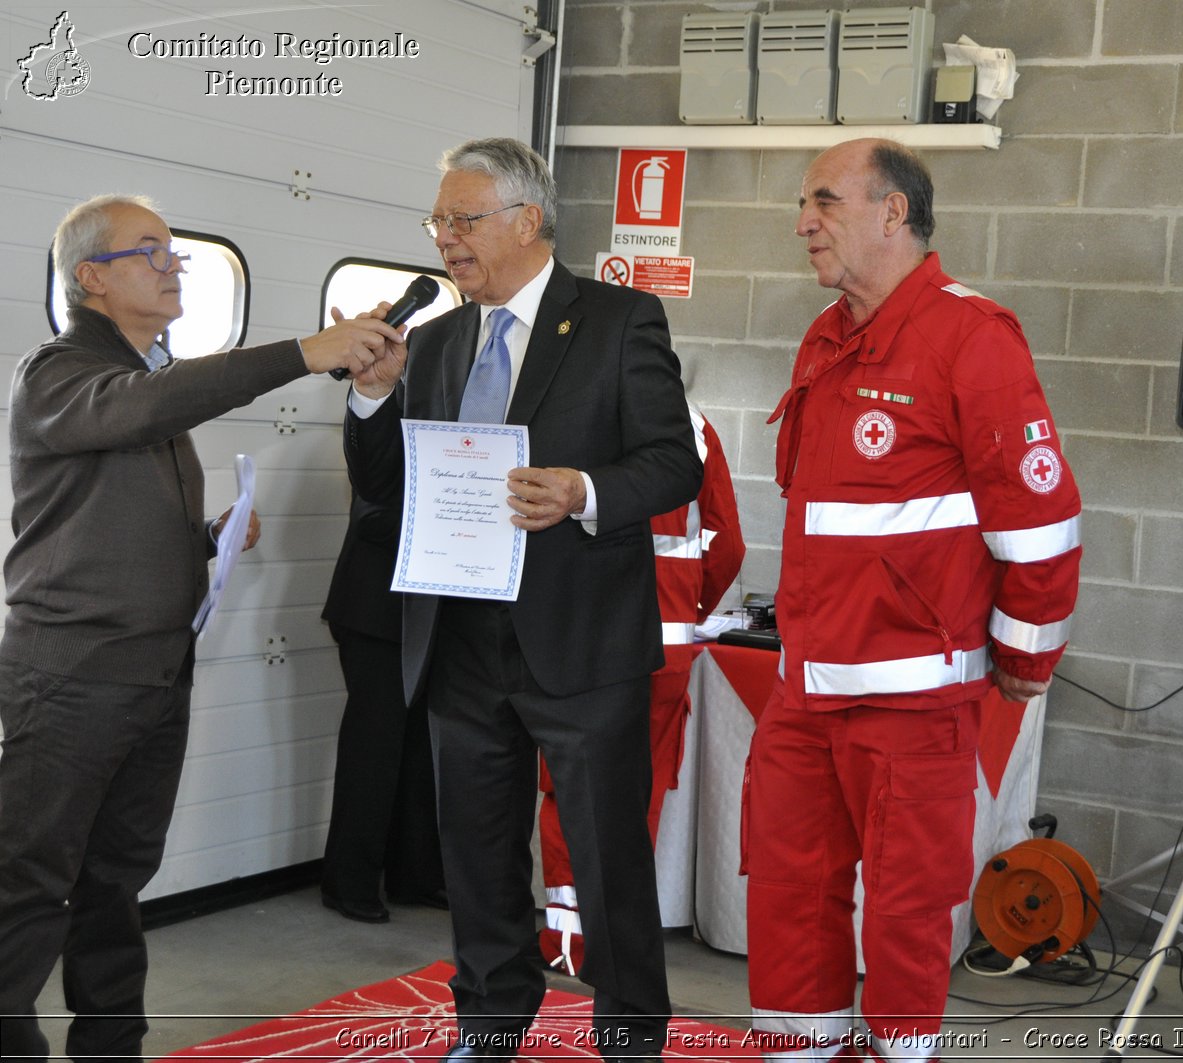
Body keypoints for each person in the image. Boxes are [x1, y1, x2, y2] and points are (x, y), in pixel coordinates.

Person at [0, 193, 398, 1061]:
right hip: (72, 676)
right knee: (31, 883)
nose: (173, 264)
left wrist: (210, 536)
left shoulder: (139, 377)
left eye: (176, 250)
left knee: (114, 883)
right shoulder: (60, 372)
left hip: (152, 675)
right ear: (90, 277)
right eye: (151, 251)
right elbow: (142, 409)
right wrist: (304, 351)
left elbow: (96, 515)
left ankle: (112, 1047)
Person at [342, 137, 701, 1063]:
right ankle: (491, 1026)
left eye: (463, 222)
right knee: (477, 850)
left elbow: (673, 463)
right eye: (439, 224)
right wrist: (375, 400)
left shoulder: (620, 320)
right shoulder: (442, 339)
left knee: (605, 855)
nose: (446, 242)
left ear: (526, 220)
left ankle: (628, 1037)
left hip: (580, 642)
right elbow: (388, 486)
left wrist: (582, 490)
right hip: (458, 635)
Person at [745, 139, 1083, 1061]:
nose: (803, 221)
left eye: (824, 201)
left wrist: (1021, 661)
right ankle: (801, 1048)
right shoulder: (827, 337)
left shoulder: (972, 338)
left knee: (904, 910)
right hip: (806, 691)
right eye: (804, 203)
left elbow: (1042, 524)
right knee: (787, 887)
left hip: (912, 702)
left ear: (893, 214)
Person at [538, 400, 745, 974]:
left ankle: (567, 942)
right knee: (639, 794)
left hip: (580, 640)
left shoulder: (566, 400)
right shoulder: (695, 422)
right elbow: (727, 542)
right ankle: (614, 941)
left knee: (568, 787)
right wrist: (691, 608)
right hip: (665, 642)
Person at [320, 492, 446, 923]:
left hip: (431, 611)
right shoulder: (382, 426)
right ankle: (348, 882)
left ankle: (414, 877)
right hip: (375, 609)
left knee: (421, 749)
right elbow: (373, 514)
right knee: (373, 749)